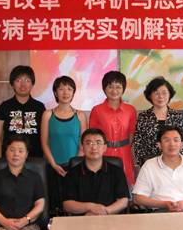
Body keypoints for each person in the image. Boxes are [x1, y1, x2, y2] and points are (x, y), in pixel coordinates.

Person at [133, 126, 183, 212]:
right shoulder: (149, 165)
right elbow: (138, 198)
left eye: (176, 140)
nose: (172, 144)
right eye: (167, 140)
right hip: (159, 212)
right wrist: (164, 204)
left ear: (182, 144)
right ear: (159, 145)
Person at [41, 76, 88, 213]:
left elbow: (84, 144)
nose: (65, 92)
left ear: (73, 92)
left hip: (75, 168)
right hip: (53, 167)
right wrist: (54, 165)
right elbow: (44, 142)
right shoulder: (47, 115)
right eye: (61, 89)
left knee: (74, 205)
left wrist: (74, 166)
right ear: (55, 92)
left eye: (69, 89)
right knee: (54, 205)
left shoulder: (80, 115)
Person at [62, 128, 130, 215]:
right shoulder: (72, 173)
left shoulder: (116, 171)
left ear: (105, 147)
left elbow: (123, 200)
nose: (94, 147)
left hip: (110, 218)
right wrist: (90, 207)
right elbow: (67, 204)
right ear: (82, 147)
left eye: (98, 143)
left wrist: (105, 211)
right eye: (88, 143)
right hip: (81, 220)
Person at [89, 71, 137, 185]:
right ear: (104, 88)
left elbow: (131, 134)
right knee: (104, 185)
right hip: (104, 154)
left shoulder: (130, 110)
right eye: (110, 86)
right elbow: (93, 136)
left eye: (118, 87)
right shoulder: (97, 110)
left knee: (126, 186)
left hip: (125, 154)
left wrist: (123, 146)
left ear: (123, 88)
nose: (114, 91)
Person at [0, 65, 45, 160]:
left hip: (35, 160)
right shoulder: (4, 106)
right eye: (18, 80)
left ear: (32, 84)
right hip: (10, 160)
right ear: (12, 84)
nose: (23, 84)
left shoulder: (40, 107)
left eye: (27, 80)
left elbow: (45, 137)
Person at [134, 77, 183, 167]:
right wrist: (143, 164)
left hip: (173, 163)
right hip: (150, 164)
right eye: (156, 93)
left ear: (170, 94)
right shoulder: (143, 117)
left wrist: (180, 164)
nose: (160, 96)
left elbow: (182, 142)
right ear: (150, 95)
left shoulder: (177, 116)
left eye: (164, 93)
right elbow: (138, 143)